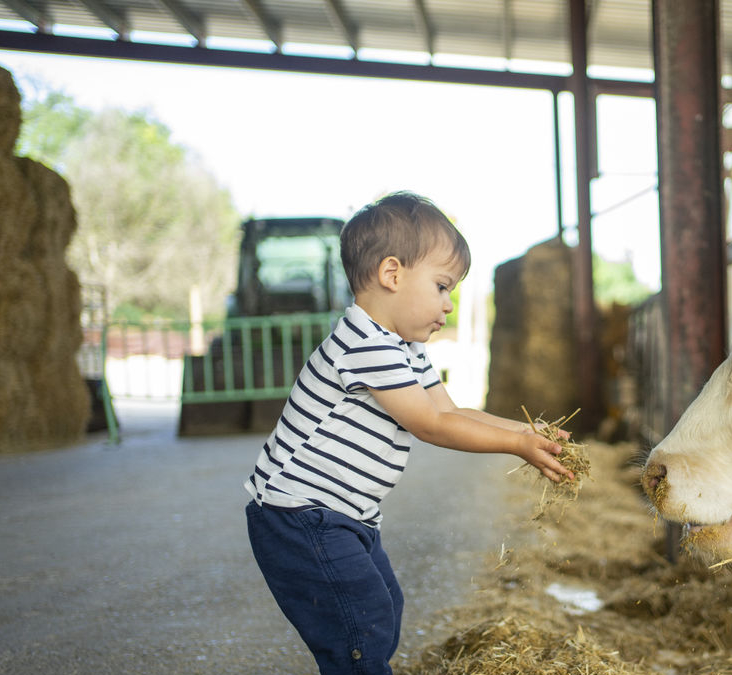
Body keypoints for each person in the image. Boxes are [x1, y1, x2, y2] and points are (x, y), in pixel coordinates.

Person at [243, 190, 572, 675]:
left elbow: (452, 410)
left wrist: (526, 431)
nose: (448, 304)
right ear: (392, 274)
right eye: (442, 286)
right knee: (361, 628)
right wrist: (517, 444)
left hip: (344, 515)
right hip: (300, 514)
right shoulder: (365, 343)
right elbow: (431, 425)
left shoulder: (403, 348)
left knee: (383, 610)